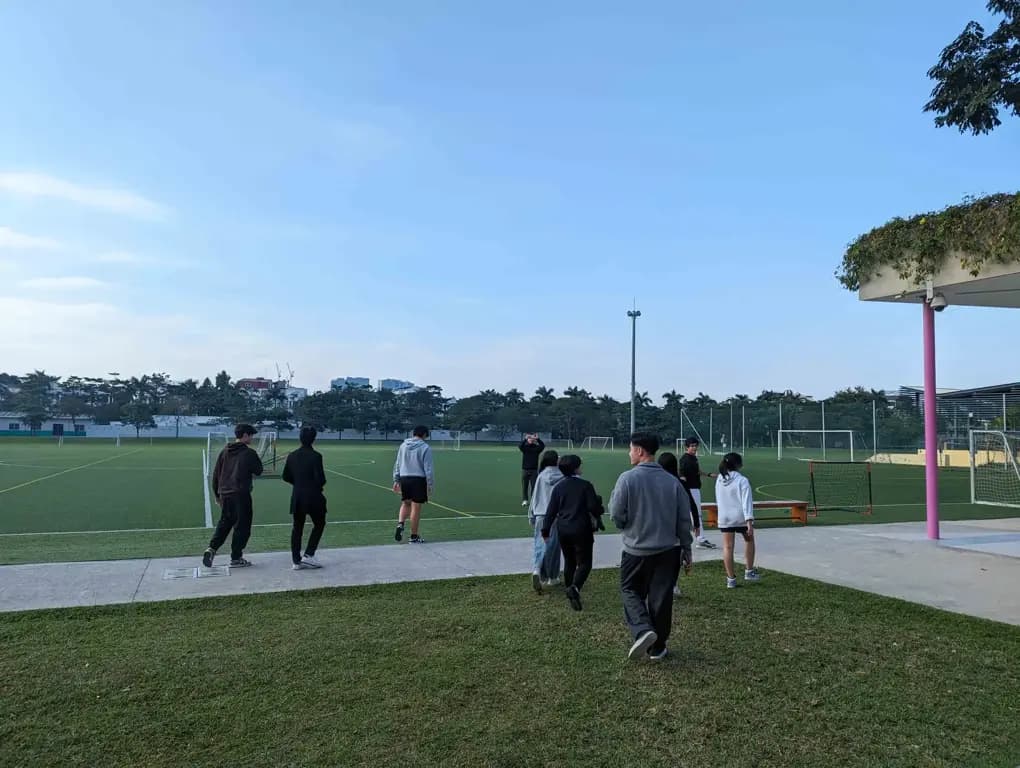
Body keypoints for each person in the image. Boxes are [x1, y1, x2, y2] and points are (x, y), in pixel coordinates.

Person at [610, 433, 693, 661]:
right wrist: (686, 547)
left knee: (630, 590)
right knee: (661, 598)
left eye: (630, 449)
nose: (629, 453)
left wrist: (624, 526)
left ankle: (643, 628)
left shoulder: (627, 479)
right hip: (669, 550)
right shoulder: (672, 481)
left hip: (636, 550)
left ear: (639, 451)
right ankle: (658, 647)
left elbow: (617, 513)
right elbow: (683, 520)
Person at [542, 454, 604, 611]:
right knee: (584, 563)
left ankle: (569, 588)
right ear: (576, 468)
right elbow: (592, 507)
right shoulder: (585, 485)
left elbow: (551, 511)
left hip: (563, 529)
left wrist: (545, 529)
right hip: (581, 528)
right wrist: (600, 509)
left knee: (569, 561)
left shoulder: (558, 487)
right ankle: (574, 588)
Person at [202, 423, 264, 568]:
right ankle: (236, 558)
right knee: (242, 526)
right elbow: (259, 470)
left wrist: (217, 495)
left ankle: (211, 548)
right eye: (251, 435)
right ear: (244, 435)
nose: (252, 438)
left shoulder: (225, 451)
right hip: (241, 495)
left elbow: (216, 475)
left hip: (225, 494)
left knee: (225, 523)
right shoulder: (249, 453)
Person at [283, 425, 328, 570]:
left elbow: (286, 476)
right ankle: (309, 554)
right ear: (314, 439)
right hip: (313, 496)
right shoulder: (316, 456)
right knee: (319, 524)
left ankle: (296, 561)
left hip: (297, 496)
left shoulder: (292, 455)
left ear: (300, 438)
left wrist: (298, 483)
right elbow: (321, 479)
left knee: (297, 528)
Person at [715, 452, 762, 588]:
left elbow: (719, 498)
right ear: (738, 465)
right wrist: (749, 522)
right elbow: (746, 502)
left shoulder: (719, 479)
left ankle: (731, 579)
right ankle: (749, 571)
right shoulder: (742, 480)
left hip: (725, 517)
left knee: (727, 547)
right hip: (740, 517)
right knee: (749, 540)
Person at [657, 451, 700, 597]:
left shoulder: (657, 482)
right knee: (676, 553)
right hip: (677, 525)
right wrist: (697, 522)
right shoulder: (680, 483)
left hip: (660, 524)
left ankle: (662, 584)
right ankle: (673, 584)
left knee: (661, 554)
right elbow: (692, 503)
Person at [528, 449, 564, 593]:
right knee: (554, 548)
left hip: (541, 515)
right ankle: (552, 576)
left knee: (540, 543)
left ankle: (537, 569)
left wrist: (531, 514)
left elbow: (535, 497)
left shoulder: (541, 476)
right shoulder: (563, 476)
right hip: (556, 515)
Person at [392, 425, 434, 544]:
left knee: (405, 503)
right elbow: (428, 469)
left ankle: (400, 523)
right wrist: (429, 484)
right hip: (418, 479)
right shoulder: (425, 447)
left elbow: (397, 463)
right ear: (424, 434)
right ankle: (414, 536)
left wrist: (396, 479)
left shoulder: (403, 445)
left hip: (405, 478)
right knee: (416, 508)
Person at [679, 437, 717, 549]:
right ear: (687, 447)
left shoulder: (693, 458)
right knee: (697, 514)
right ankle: (701, 539)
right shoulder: (685, 459)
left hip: (695, 488)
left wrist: (709, 475)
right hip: (691, 489)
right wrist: (685, 489)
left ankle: (697, 538)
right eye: (692, 446)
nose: (694, 448)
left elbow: (697, 471)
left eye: (695, 446)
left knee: (693, 514)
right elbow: (681, 474)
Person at [518, 433, 546, 506]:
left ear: (534, 440)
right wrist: (525, 439)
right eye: (529, 438)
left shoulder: (536, 448)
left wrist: (538, 439)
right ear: (527, 440)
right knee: (525, 486)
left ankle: (533, 500)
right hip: (525, 470)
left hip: (534, 470)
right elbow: (520, 446)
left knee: (534, 486)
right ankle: (525, 500)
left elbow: (542, 446)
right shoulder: (525, 448)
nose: (530, 439)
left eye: (532, 438)